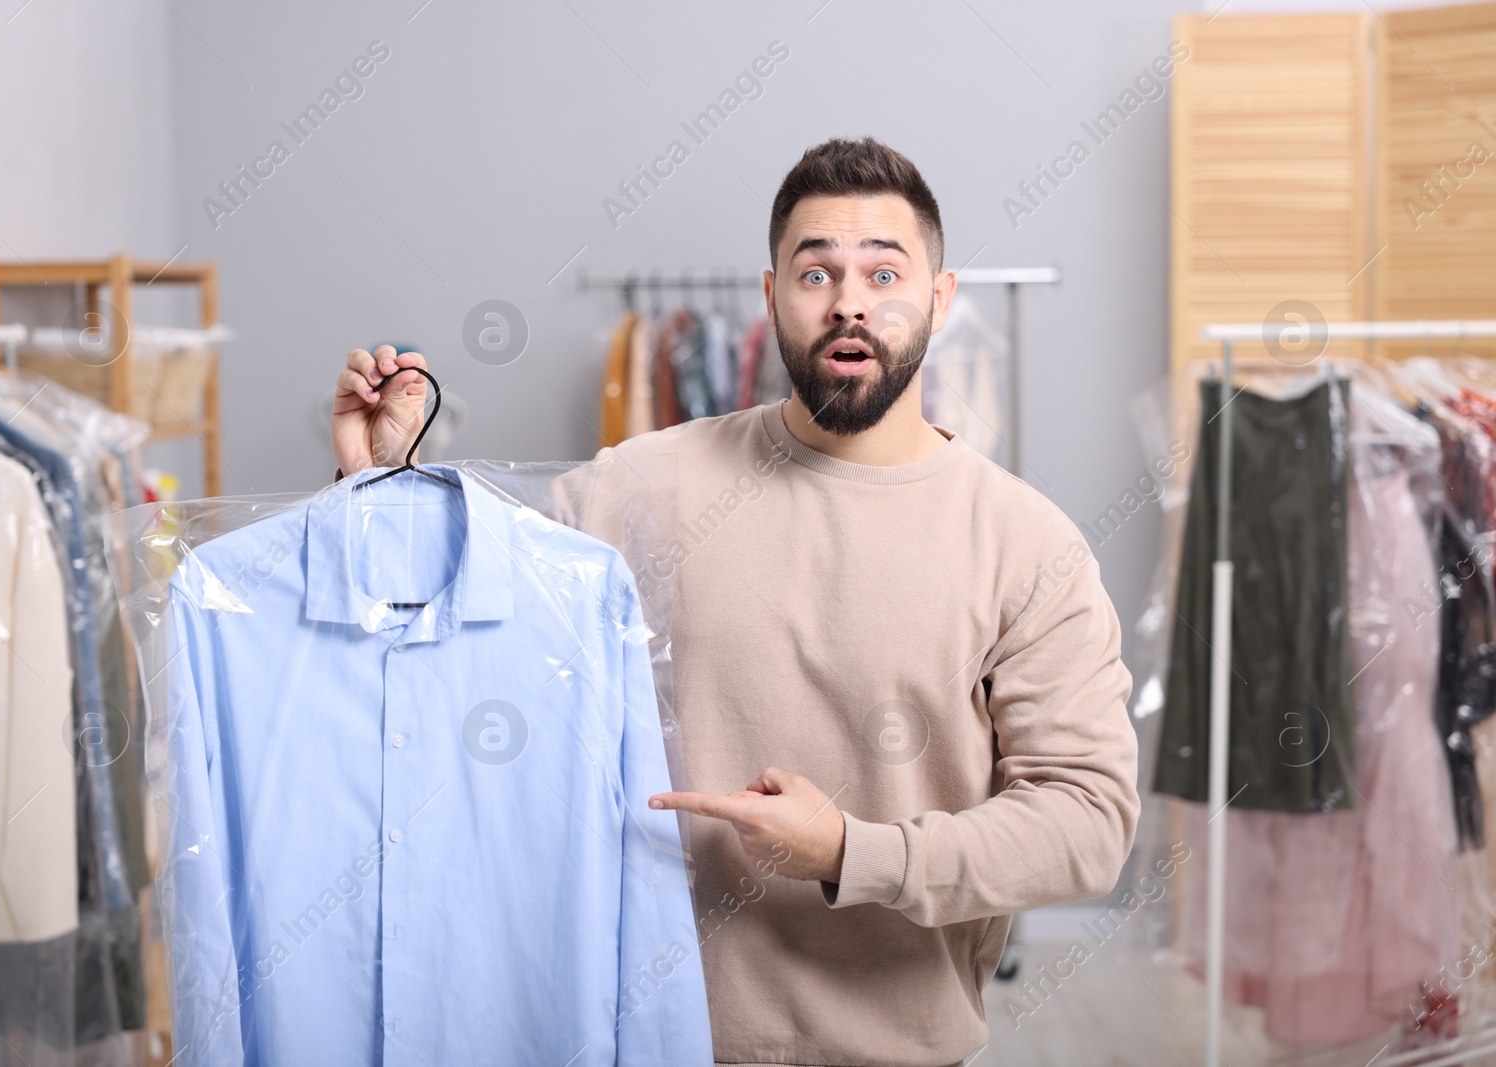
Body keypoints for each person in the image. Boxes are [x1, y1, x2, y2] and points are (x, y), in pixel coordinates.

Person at [331, 137, 1140, 1067]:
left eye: (885, 270)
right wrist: (381, 483)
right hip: (642, 1043)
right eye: (816, 271)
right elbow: (458, 613)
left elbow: (1086, 821)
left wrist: (852, 848)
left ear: (940, 299)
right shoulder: (637, 489)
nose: (849, 299)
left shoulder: (1028, 545)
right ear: (771, 299)